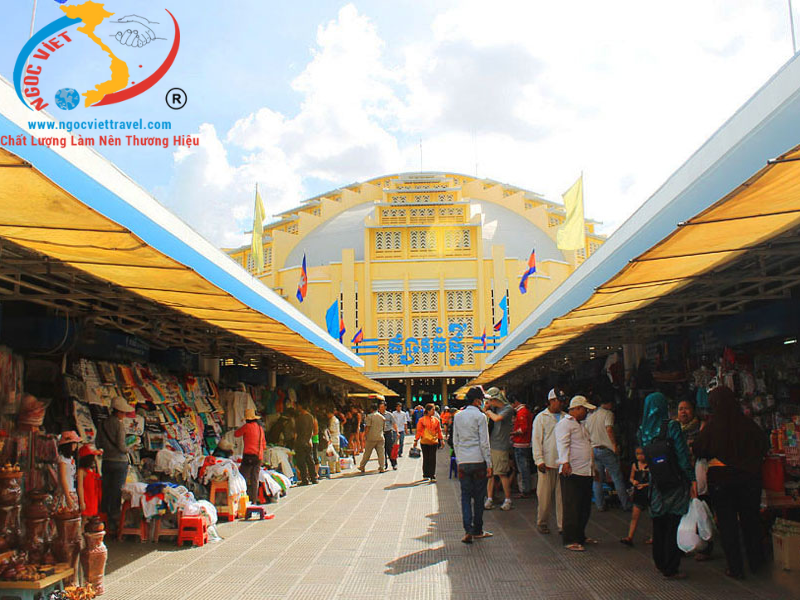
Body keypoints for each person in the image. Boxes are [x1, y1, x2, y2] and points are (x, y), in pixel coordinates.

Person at [693, 386, 768, 580]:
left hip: (722, 481)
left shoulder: (712, 426)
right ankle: (756, 563)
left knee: (727, 526)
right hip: (749, 480)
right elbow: (764, 445)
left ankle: (735, 567)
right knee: (750, 521)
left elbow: (699, 449)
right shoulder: (748, 424)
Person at [638, 392, 696, 579]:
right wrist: (691, 478)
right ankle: (671, 565)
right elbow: (681, 455)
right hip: (674, 481)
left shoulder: (643, 430)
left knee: (659, 522)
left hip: (656, 483)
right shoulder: (671, 426)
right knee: (673, 522)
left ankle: (660, 561)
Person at [453, 387, 493, 544]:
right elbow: (484, 443)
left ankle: (467, 530)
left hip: (463, 461)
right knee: (478, 497)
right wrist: (489, 463)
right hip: (478, 461)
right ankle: (477, 529)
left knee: (465, 496)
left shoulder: (458, 416)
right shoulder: (481, 417)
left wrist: (458, 460)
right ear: (477, 401)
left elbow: (455, 441)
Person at [556, 395, 597, 552]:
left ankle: (580, 535)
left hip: (585, 471)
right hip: (572, 471)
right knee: (572, 506)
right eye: (585, 409)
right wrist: (564, 462)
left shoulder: (580, 425)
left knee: (583, 506)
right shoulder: (565, 424)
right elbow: (562, 443)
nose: (586, 412)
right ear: (577, 409)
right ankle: (570, 539)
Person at [586, 396, 630, 511]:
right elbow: (609, 429)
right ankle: (626, 504)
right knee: (617, 477)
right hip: (606, 449)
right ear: (609, 403)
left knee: (597, 479)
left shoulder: (590, 415)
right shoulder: (608, 414)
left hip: (594, 449)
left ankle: (600, 505)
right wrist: (614, 446)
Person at [96, 397, 132, 534]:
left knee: (106, 490)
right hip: (119, 462)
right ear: (119, 412)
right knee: (117, 491)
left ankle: (103, 518)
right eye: (123, 412)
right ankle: (114, 521)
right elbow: (122, 446)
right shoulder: (119, 425)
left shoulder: (103, 423)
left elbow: (98, 443)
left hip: (106, 461)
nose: (124, 415)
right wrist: (130, 448)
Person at [532, 388, 565, 534]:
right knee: (544, 497)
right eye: (559, 400)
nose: (562, 403)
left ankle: (562, 525)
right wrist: (539, 460)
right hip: (547, 462)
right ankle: (542, 522)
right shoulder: (541, 417)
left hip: (563, 464)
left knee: (562, 498)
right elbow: (537, 440)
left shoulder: (566, 417)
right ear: (552, 401)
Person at [483, 388, 515, 511]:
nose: (489, 402)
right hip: (491, 445)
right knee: (490, 474)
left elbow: (497, 419)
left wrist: (487, 411)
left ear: (495, 399)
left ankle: (508, 499)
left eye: (490, 400)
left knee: (502, 473)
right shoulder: (494, 409)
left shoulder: (507, 409)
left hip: (501, 446)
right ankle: (490, 498)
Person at [620, 447, 651, 546]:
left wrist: (645, 485)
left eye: (641, 454)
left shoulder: (650, 466)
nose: (639, 456)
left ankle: (653, 537)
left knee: (652, 517)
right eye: (637, 454)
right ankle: (630, 536)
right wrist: (634, 481)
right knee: (634, 516)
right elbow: (631, 478)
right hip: (638, 493)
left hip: (648, 492)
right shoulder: (635, 465)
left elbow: (653, 481)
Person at [235, 407, 267, 498]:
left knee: (242, 476)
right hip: (258, 456)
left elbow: (236, 434)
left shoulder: (247, 427)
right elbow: (264, 444)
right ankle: (254, 499)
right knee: (254, 478)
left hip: (248, 455)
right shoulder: (260, 428)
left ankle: (242, 497)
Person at [510, 396, 534, 499]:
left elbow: (523, 429)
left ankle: (525, 490)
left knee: (523, 468)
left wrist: (513, 433)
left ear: (514, 402)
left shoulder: (522, 412)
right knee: (523, 467)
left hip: (521, 443)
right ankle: (525, 489)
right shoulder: (525, 411)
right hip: (524, 443)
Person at [413, 403, 443, 481]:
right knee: (426, 458)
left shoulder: (436, 420)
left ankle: (432, 475)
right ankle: (426, 474)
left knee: (433, 458)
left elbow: (439, 430)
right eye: (433, 409)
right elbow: (419, 431)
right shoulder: (421, 420)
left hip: (434, 441)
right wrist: (416, 440)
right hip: (424, 441)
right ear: (428, 411)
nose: (434, 411)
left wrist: (441, 439)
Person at [293, 401, 318, 486]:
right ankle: (314, 478)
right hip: (308, 441)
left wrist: (295, 442)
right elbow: (314, 431)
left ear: (300, 406)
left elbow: (296, 433)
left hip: (300, 441)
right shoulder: (311, 417)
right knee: (310, 460)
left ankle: (305, 479)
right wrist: (310, 438)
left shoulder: (299, 418)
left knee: (301, 461)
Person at [77, 445, 103, 520]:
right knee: (85, 520)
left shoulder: (92, 470)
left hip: (93, 499)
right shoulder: (81, 471)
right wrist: (82, 502)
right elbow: (80, 487)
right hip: (86, 499)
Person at [359, 403, 387, 473]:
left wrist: (365, 435)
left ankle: (362, 466)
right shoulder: (382, 417)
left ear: (371, 409)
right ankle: (382, 467)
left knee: (367, 453)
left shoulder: (369, 416)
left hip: (371, 437)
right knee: (381, 453)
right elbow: (384, 428)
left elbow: (367, 427)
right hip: (380, 437)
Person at [57, 431, 80, 512]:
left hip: (72, 491)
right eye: (73, 443)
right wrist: (67, 496)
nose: (75, 446)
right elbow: (62, 478)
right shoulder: (62, 459)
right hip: (66, 492)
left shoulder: (71, 458)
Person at [380, 401, 399, 470]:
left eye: (382, 407)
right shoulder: (377, 415)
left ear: (385, 407)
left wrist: (397, 432)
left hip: (388, 433)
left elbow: (394, 424)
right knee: (382, 450)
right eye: (380, 407)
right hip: (380, 433)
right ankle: (384, 464)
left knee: (390, 449)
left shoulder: (389, 415)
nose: (381, 408)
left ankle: (394, 464)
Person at [326, 408, 342, 473]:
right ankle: (338, 468)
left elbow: (332, 430)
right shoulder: (336, 420)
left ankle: (332, 469)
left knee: (332, 455)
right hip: (336, 439)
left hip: (333, 439)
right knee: (337, 455)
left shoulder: (333, 420)